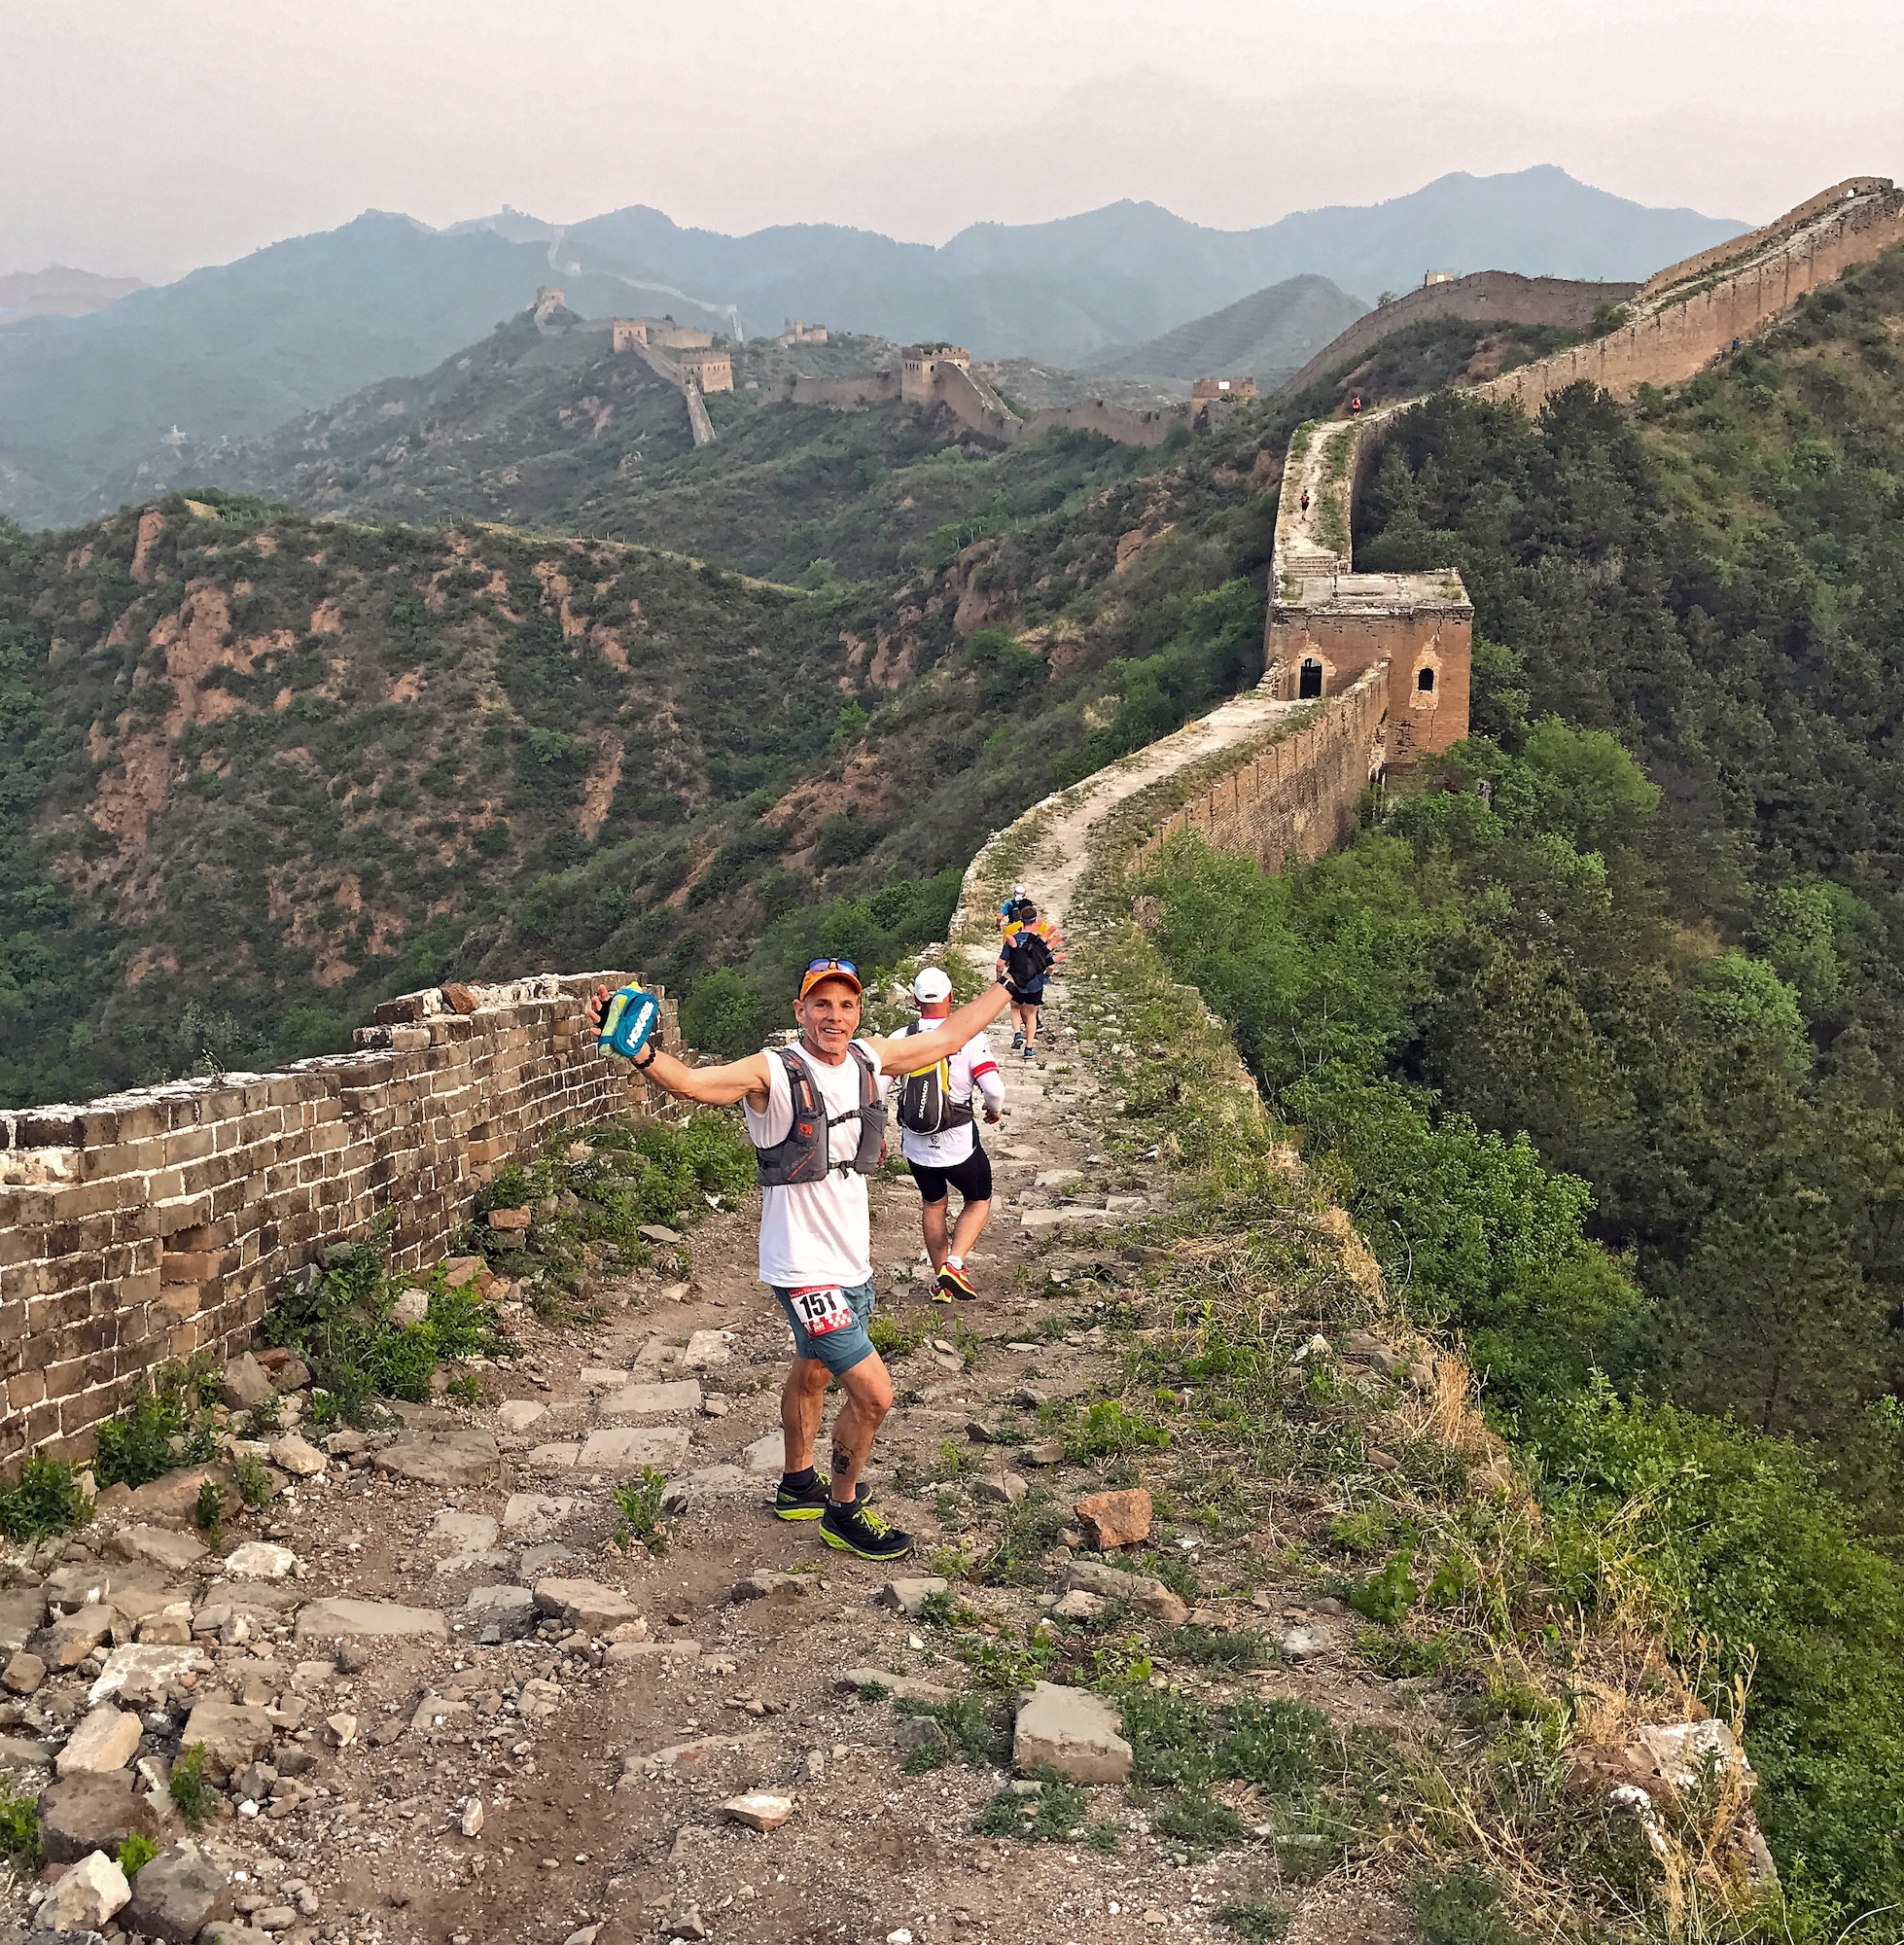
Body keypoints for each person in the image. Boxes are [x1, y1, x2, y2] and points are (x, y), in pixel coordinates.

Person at [588, 958, 1012, 1562]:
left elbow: (948, 1037)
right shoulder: (774, 1072)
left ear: (858, 1013)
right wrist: (642, 1055)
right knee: (874, 1395)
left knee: (813, 1371)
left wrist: (1010, 985)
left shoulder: (870, 1058)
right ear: (800, 1011)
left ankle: (796, 1484)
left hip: (851, 1263)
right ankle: (842, 1511)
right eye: (821, 1004)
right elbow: (694, 1084)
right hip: (803, 1269)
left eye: (845, 1005)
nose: (833, 1017)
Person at [895, 967, 1004, 1302]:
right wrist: (993, 1109)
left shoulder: (901, 1038)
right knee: (978, 1199)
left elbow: (874, 1090)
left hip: (916, 1144)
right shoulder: (969, 1037)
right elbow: (994, 1089)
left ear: (915, 1000)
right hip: (957, 1143)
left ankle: (941, 1283)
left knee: (933, 1203)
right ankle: (954, 1264)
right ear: (951, 998)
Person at [999, 901, 1058, 1059]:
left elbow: (1000, 963)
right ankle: (1029, 1048)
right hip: (1035, 983)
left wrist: (999, 979)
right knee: (1032, 1014)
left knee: (1015, 1008)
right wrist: (1046, 976)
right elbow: (1050, 965)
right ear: (1035, 920)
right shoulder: (1041, 942)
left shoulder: (1013, 938)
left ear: (1020, 919)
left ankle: (1018, 1033)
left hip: (1016, 981)